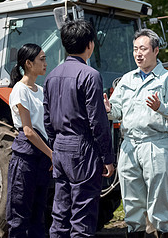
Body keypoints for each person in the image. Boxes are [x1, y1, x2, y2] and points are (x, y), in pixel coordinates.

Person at [43, 19, 115, 238]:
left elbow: (47, 118)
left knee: (60, 214)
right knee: (82, 217)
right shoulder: (90, 75)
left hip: (60, 148)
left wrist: (55, 149)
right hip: (82, 148)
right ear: (90, 45)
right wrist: (108, 157)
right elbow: (97, 122)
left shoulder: (51, 76)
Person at [104, 29, 168, 238]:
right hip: (129, 145)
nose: (138, 54)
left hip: (155, 143)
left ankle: (164, 232)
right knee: (132, 202)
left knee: (159, 201)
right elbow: (117, 112)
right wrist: (109, 109)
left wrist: (160, 107)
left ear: (155, 51)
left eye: (143, 49)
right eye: (135, 49)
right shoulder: (127, 79)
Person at [6, 43, 52, 237]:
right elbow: (28, 131)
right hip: (26, 155)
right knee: (19, 214)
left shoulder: (40, 90)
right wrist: (53, 155)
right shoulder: (19, 90)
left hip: (41, 156)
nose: (45, 63)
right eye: (41, 59)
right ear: (28, 63)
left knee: (38, 214)